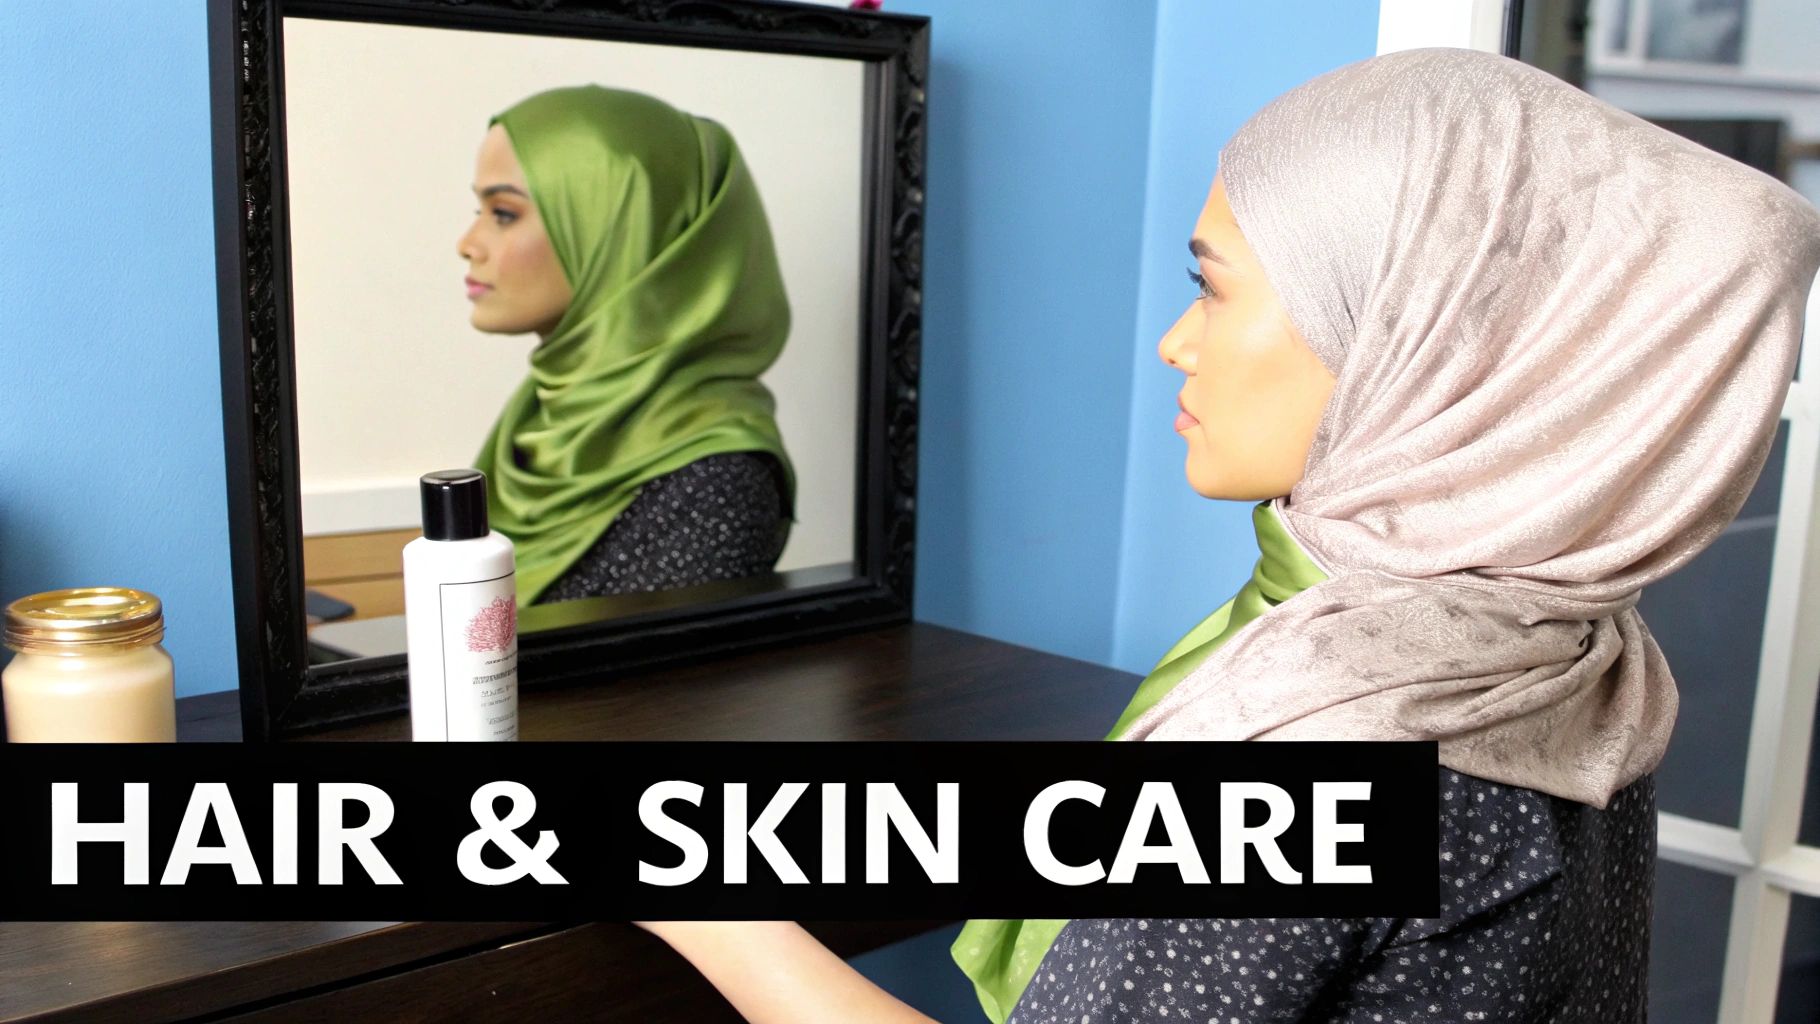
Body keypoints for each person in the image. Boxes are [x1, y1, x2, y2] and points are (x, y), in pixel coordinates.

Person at [633, 46, 1820, 1023]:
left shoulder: (1319, 739)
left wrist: (719, 912)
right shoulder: (1567, 651)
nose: (1176, 343)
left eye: (1211, 286)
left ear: (1411, 334)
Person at [458, 85, 796, 607]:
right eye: (479, 209)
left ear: (619, 230)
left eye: (503, 213)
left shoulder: (714, 485)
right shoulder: (540, 424)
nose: (468, 243)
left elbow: (661, 687)